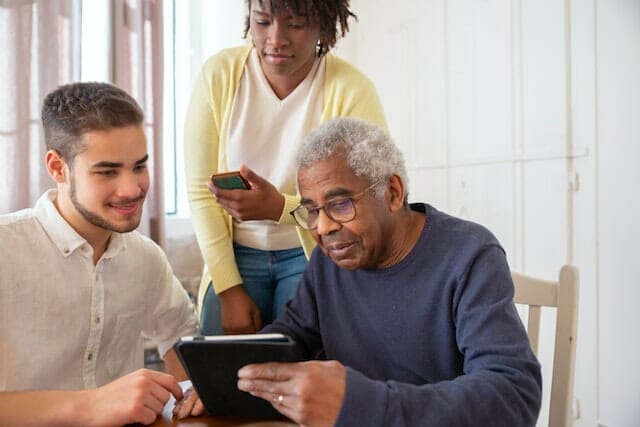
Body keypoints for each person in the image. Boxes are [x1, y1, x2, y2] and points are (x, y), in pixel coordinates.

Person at [233, 117, 543, 426]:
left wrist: (365, 405)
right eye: (312, 210)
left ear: (392, 192)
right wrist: (225, 378)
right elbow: (293, 336)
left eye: (340, 204)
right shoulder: (329, 261)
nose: (323, 227)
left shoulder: (469, 255)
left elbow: (513, 392)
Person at [0, 82, 201, 426]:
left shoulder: (146, 259)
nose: (132, 188)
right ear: (58, 168)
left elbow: (181, 338)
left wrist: (197, 391)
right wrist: (91, 405)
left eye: (139, 166)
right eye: (107, 171)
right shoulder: (7, 251)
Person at [184, 0, 387, 335]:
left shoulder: (351, 89)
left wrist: (281, 207)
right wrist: (229, 289)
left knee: (300, 369)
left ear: (324, 25)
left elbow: (367, 198)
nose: (276, 39)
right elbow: (200, 191)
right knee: (220, 375)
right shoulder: (219, 75)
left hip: (311, 252)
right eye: (262, 22)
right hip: (232, 254)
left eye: (295, 25)